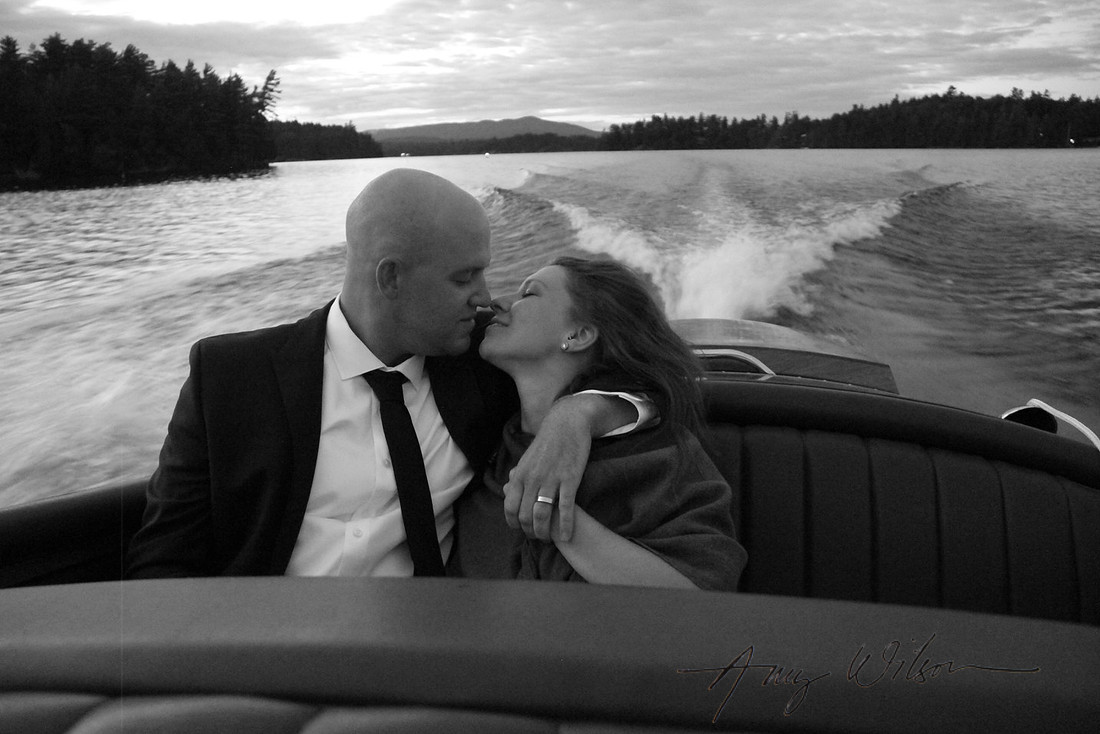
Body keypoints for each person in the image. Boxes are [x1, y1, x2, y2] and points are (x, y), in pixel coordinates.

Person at [125, 169, 647, 579]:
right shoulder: (232, 378)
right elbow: (164, 562)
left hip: (430, 655)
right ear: (390, 277)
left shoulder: (486, 361)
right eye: (464, 278)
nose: (486, 297)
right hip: (265, 650)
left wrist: (578, 414)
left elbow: (652, 374)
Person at [449, 256, 746, 590]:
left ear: (579, 334)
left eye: (529, 294)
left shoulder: (658, 456)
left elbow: (703, 597)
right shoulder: (486, 439)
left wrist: (551, 512)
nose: (497, 302)